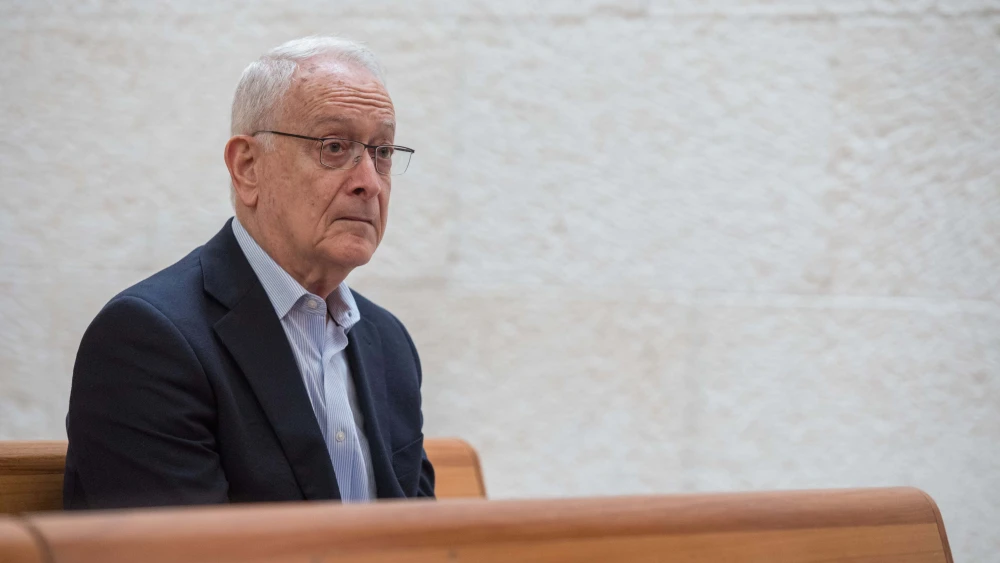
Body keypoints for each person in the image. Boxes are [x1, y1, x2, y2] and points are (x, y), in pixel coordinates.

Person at [63, 36, 433, 509]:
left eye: (382, 152)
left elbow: (425, 540)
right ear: (248, 167)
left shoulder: (388, 342)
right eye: (335, 147)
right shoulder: (149, 340)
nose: (368, 182)